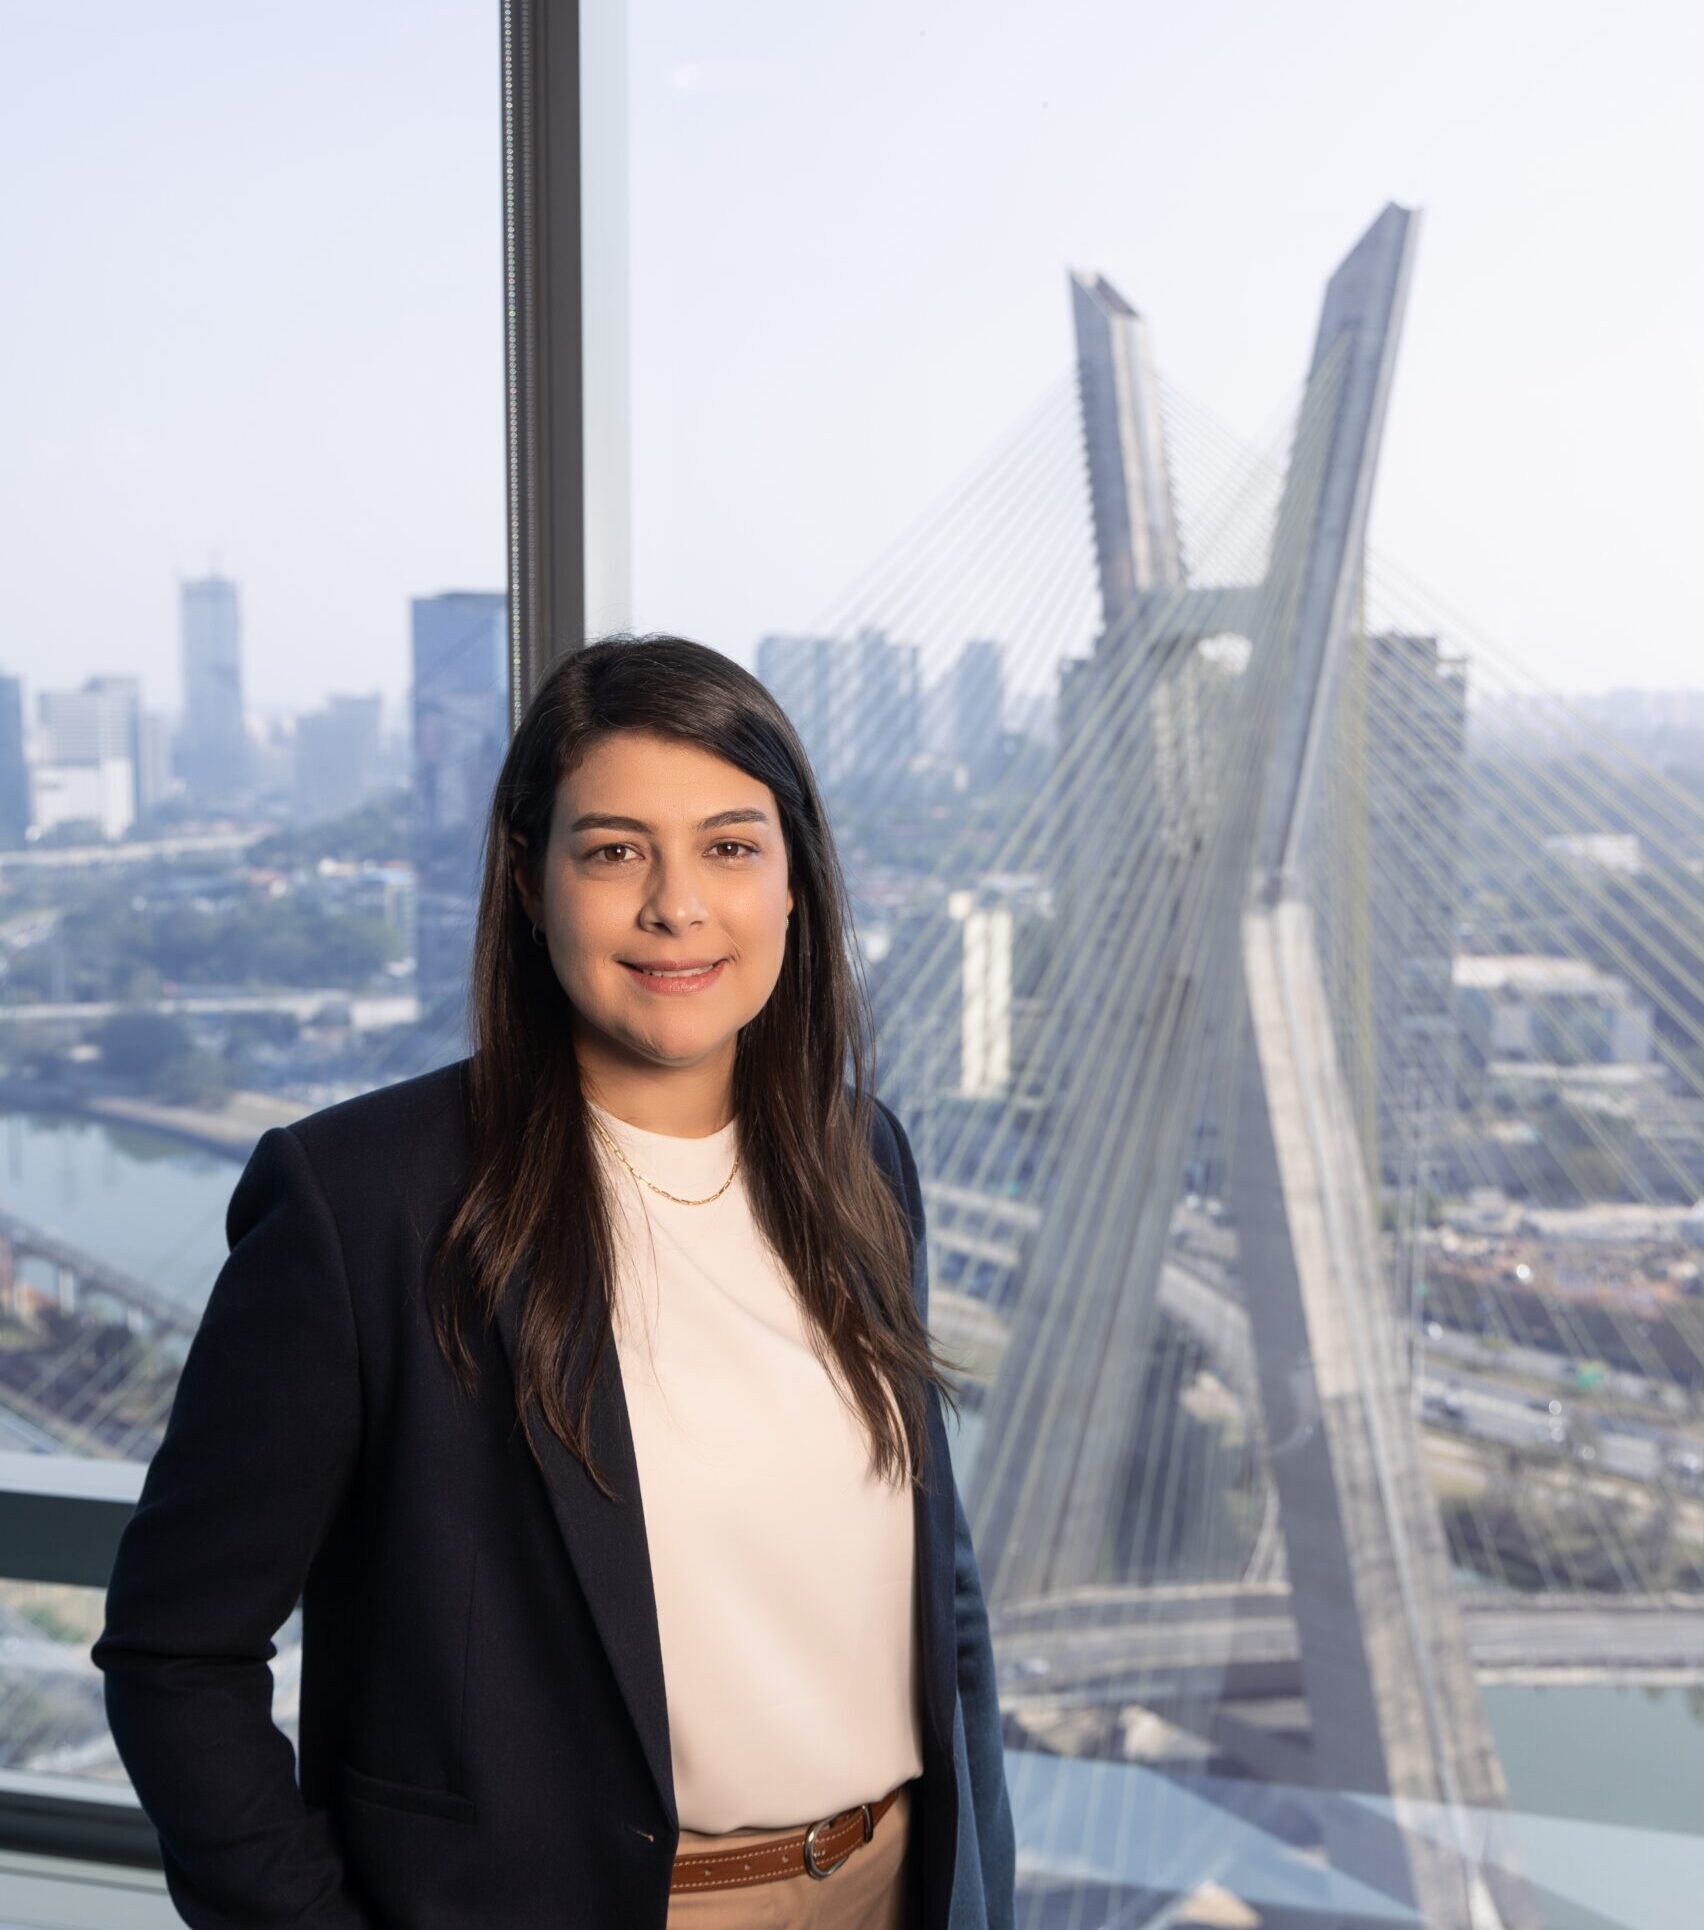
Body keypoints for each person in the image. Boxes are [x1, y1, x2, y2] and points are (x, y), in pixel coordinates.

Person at [93, 634, 1017, 1930]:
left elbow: (942, 1594)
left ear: (796, 882)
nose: (677, 906)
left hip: (899, 1885)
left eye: (731, 846)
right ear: (530, 882)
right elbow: (176, 1653)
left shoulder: (862, 1156)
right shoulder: (365, 1206)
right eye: (615, 851)